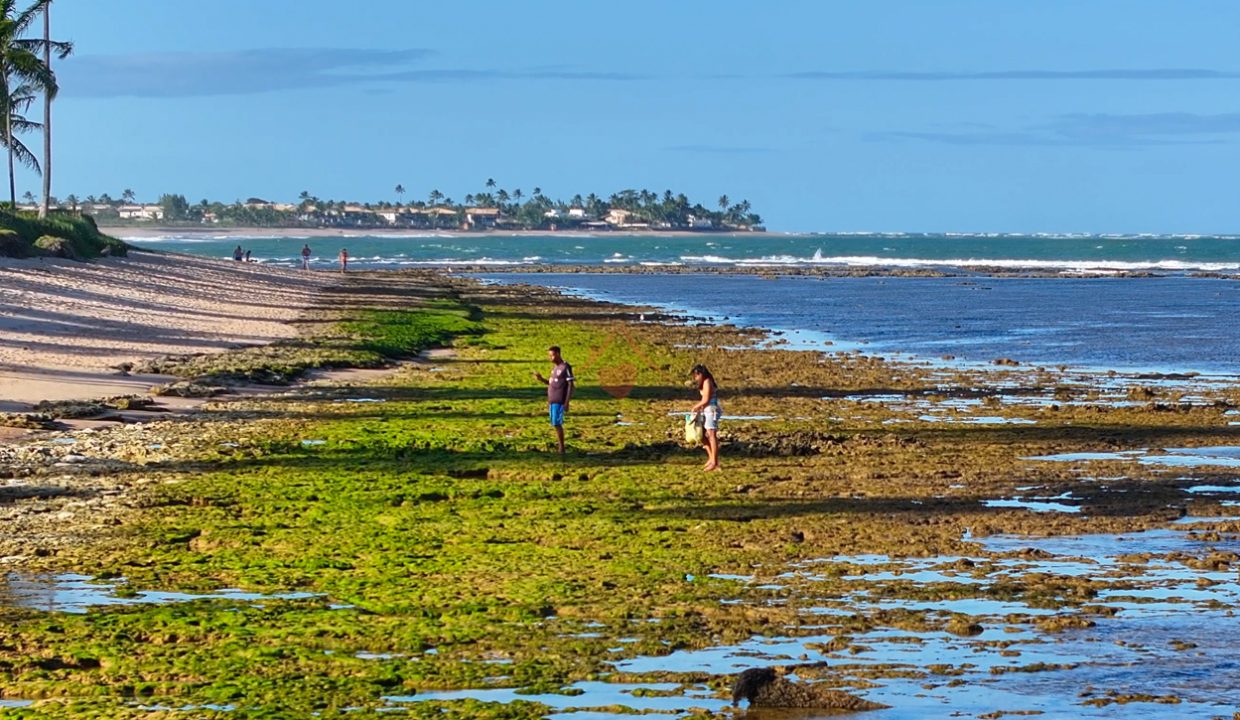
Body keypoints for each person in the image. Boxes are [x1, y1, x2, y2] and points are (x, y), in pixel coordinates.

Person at [533, 345, 574, 454]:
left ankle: (562, 447)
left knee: (557, 423)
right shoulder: (554, 369)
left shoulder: (565, 367)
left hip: (560, 400)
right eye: (549, 356)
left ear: (558, 354)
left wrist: (567, 402)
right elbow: (551, 384)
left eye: (552, 356)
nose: (550, 358)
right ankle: (560, 446)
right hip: (552, 400)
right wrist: (541, 379)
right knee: (554, 422)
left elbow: (570, 384)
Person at [689, 364, 721, 471]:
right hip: (705, 410)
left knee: (712, 435)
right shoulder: (704, 382)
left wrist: (695, 407)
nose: (695, 378)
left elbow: (706, 399)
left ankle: (715, 462)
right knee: (702, 434)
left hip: (711, 409)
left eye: (696, 376)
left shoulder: (707, 382)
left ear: (700, 374)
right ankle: (711, 458)